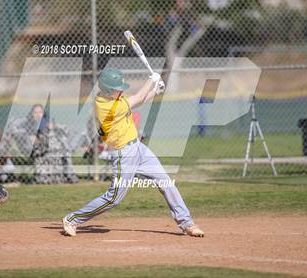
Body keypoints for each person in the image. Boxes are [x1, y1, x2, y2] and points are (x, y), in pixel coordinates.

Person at [62, 68, 204, 237]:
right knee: (114, 198)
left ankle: (186, 222)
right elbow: (137, 98)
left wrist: (154, 92)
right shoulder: (105, 105)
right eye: (118, 88)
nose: (121, 90)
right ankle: (73, 219)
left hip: (139, 148)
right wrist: (151, 81)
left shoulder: (113, 96)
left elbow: (139, 100)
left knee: (166, 182)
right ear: (107, 90)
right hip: (124, 154)